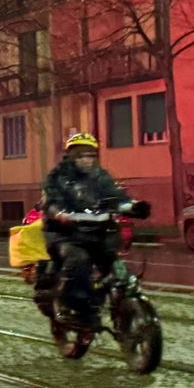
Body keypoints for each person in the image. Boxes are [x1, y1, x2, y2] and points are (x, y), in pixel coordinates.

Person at [41, 131, 127, 328]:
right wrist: (59, 213)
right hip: (63, 235)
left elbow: (115, 194)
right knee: (79, 260)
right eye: (81, 155)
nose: (87, 159)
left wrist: (132, 205)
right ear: (71, 156)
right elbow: (50, 200)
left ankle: (107, 302)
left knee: (111, 261)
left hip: (94, 232)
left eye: (91, 155)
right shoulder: (58, 177)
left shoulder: (100, 176)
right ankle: (68, 302)